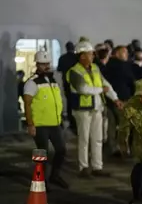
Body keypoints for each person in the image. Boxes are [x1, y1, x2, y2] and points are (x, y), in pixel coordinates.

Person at [66, 41, 122, 177]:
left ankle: (97, 167)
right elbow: (83, 89)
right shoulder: (74, 71)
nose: (92, 56)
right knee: (84, 139)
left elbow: (105, 84)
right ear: (82, 56)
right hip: (82, 110)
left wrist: (115, 98)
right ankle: (83, 167)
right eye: (90, 54)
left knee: (97, 139)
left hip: (97, 108)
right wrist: (101, 90)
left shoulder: (95, 68)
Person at [22, 51, 68, 189]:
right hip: (40, 124)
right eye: (43, 64)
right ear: (37, 64)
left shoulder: (53, 81)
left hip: (54, 123)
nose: (46, 66)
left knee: (61, 150)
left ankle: (55, 175)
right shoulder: (32, 82)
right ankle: (41, 181)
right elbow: (27, 104)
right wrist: (30, 124)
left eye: (47, 63)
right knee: (42, 153)